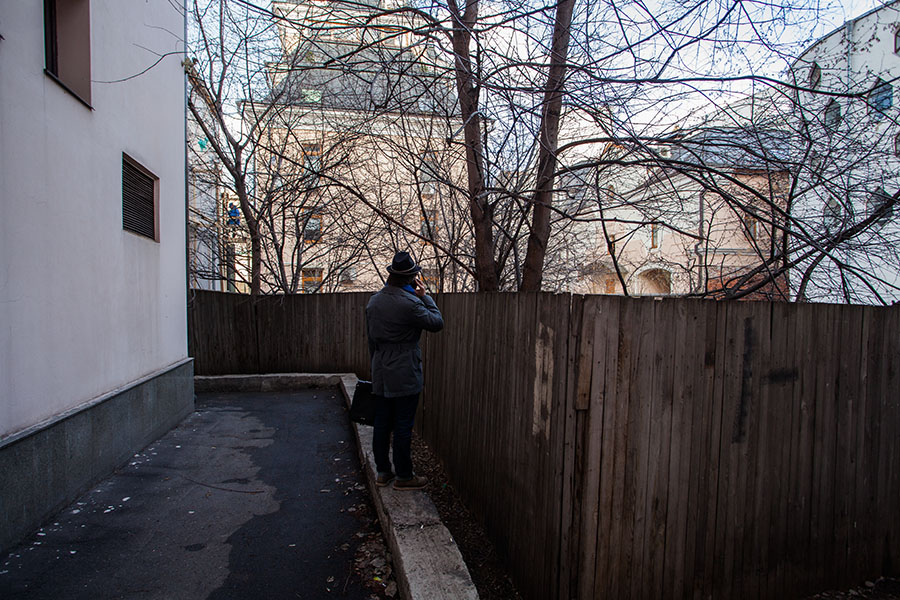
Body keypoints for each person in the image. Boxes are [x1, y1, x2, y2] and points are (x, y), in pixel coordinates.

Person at [366, 251, 443, 490]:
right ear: (411, 278)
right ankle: (404, 476)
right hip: (404, 370)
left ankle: (382, 472)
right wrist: (426, 297)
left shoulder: (373, 302)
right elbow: (437, 323)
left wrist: (376, 366)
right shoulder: (411, 304)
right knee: (402, 424)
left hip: (380, 368)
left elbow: (371, 340)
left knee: (381, 422)